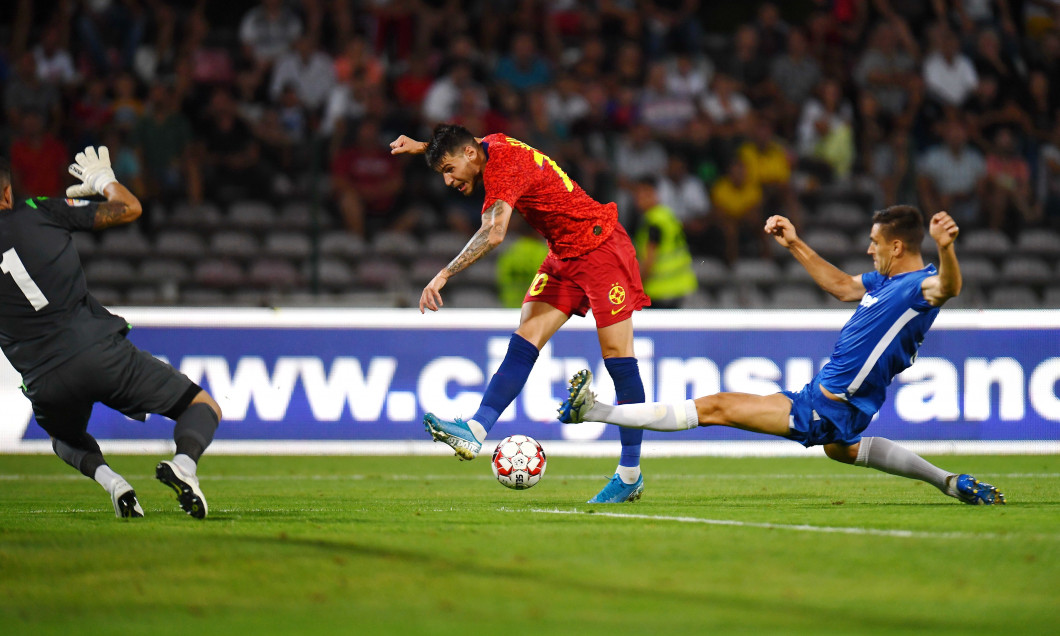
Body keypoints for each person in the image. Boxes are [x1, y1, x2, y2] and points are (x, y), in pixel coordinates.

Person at [557, 205, 1005, 506]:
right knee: (843, 451)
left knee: (717, 407)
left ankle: (594, 410)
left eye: (874, 241)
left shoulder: (917, 288)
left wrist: (946, 249)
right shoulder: (883, 282)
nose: (869, 248)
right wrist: (794, 242)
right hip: (826, 400)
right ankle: (948, 482)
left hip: (830, 405)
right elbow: (841, 286)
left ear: (897, 247)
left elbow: (949, 288)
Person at [390, 124, 652, 504]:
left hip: (599, 247)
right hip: (563, 254)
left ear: (467, 157)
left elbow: (494, 233)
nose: (448, 181)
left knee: (618, 358)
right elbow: (465, 144)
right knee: (526, 335)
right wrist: (425, 148)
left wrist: (444, 274)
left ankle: (630, 475)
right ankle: (476, 430)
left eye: (448, 170)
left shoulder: (502, 168)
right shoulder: (487, 146)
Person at [0, 148, 222, 518]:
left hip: (44, 379)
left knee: (63, 437)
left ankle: (114, 484)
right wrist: (104, 182)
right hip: (97, 351)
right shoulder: (41, 210)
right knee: (201, 406)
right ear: (8, 194)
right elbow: (129, 208)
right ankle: (183, 465)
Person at [630, 178, 697, 309]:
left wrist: (633, 287)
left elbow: (649, 261)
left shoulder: (654, 222)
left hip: (661, 290)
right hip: (680, 285)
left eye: (643, 194)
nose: (638, 199)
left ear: (653, 194)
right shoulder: (667, 214)